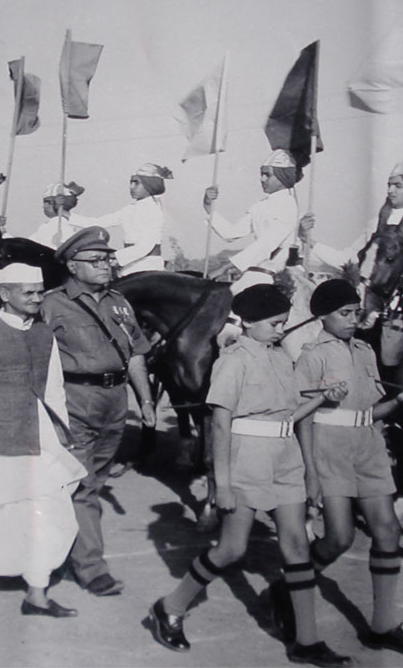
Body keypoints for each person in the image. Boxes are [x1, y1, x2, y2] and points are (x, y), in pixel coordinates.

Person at [147, 284, 350, 667]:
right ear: (249, 322)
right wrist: (220, 485)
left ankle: (307, 641)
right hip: (245, 462)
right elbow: (220, 425)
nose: (280, 330)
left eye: (283, 323)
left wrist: (324, 397)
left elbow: (288, 416)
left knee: (296, 547)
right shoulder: (232, 361)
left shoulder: (281, 359)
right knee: (232, 549)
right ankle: (170, 607)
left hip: (284, 460)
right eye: (274, 323)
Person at [294, 280, 403, 657]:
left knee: (388, 530)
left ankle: (383, 625)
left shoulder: (366, 352)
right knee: (339, 537)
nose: (353, 320)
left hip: (369, 445)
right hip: (329, 448)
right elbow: (302, 418)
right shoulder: (311, 355)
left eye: (356, 313)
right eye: (344, 314)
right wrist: (309, 471)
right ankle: (288, 586)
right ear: (322, 316)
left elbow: (371, 411)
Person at [0, 262, 88, 616]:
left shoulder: (44, 334)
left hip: (39, 439)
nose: (37, 299)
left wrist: (60, 435)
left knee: (51, 511)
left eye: (40, 292)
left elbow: (54, 390)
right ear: (5, 294)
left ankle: (36, 594)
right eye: (28, 292)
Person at [39, 227, 158, 596]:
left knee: (95, 481)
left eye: (108, 258)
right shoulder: (52, 304)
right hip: (75, 399)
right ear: (73, 266)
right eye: (97, 260)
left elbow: (136, 352)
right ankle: (90, 568)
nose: (106, 265)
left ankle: (65, 553)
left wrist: (147, 401)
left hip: (114, 400)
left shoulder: (119, 303)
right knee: (81, 485)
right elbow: (36, 360)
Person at [299, 153, 403, 272]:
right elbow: (348, 260)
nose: (390, 191)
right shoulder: (376, 223)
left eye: (398, 186)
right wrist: (308, 239)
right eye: (389, 185)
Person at [206, 149, 302, 294]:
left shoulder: (289, 206)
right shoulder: (260, 206)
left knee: (232, 302)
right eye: (261, 174)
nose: (262, 179)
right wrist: (208, 206)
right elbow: (231, 234)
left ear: (283, 178)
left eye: (267, 175)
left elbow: (266, 244)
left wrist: (225, 267)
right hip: (262, 268)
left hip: (282, 270)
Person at [71, 164, 171, 275]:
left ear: (150, 185)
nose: (131, 187)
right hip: (128, 266)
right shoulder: (129, 210)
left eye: (136, 183)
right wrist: (68, 216)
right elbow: (98, 222)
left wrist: (114, 256)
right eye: (131, 182)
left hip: (148, 266)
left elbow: (145, 247)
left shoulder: (154, 210)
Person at [28, 182, 87, 249]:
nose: (44, 206)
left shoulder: (53, 226)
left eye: (47, 202)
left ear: (59, 202)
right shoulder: (81, 226)